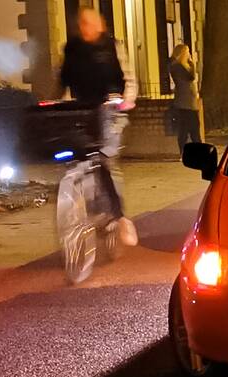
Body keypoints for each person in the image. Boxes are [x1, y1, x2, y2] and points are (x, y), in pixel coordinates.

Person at [59, 8, 139, 246]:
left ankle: (120, 216)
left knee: (105, 159)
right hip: (82, 110)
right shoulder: (71, 48)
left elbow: (129, 79)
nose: (86, 28)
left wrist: (127, 100)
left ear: (101, 25)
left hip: (110, 110)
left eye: (90, 23)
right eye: (82, 23)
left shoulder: (112, 46)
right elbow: (63, 81)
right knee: (74, 156)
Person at [169, 44, 201, 154]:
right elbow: (191, 77)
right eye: (187, 52)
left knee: (190, 129)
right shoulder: (177, 67)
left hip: (188, 103)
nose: (189, 54)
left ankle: (191, 151)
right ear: (182, 53)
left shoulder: (181, 66)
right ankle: (188, 151)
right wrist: (192, 64)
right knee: (189, 129)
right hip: (185, 104)